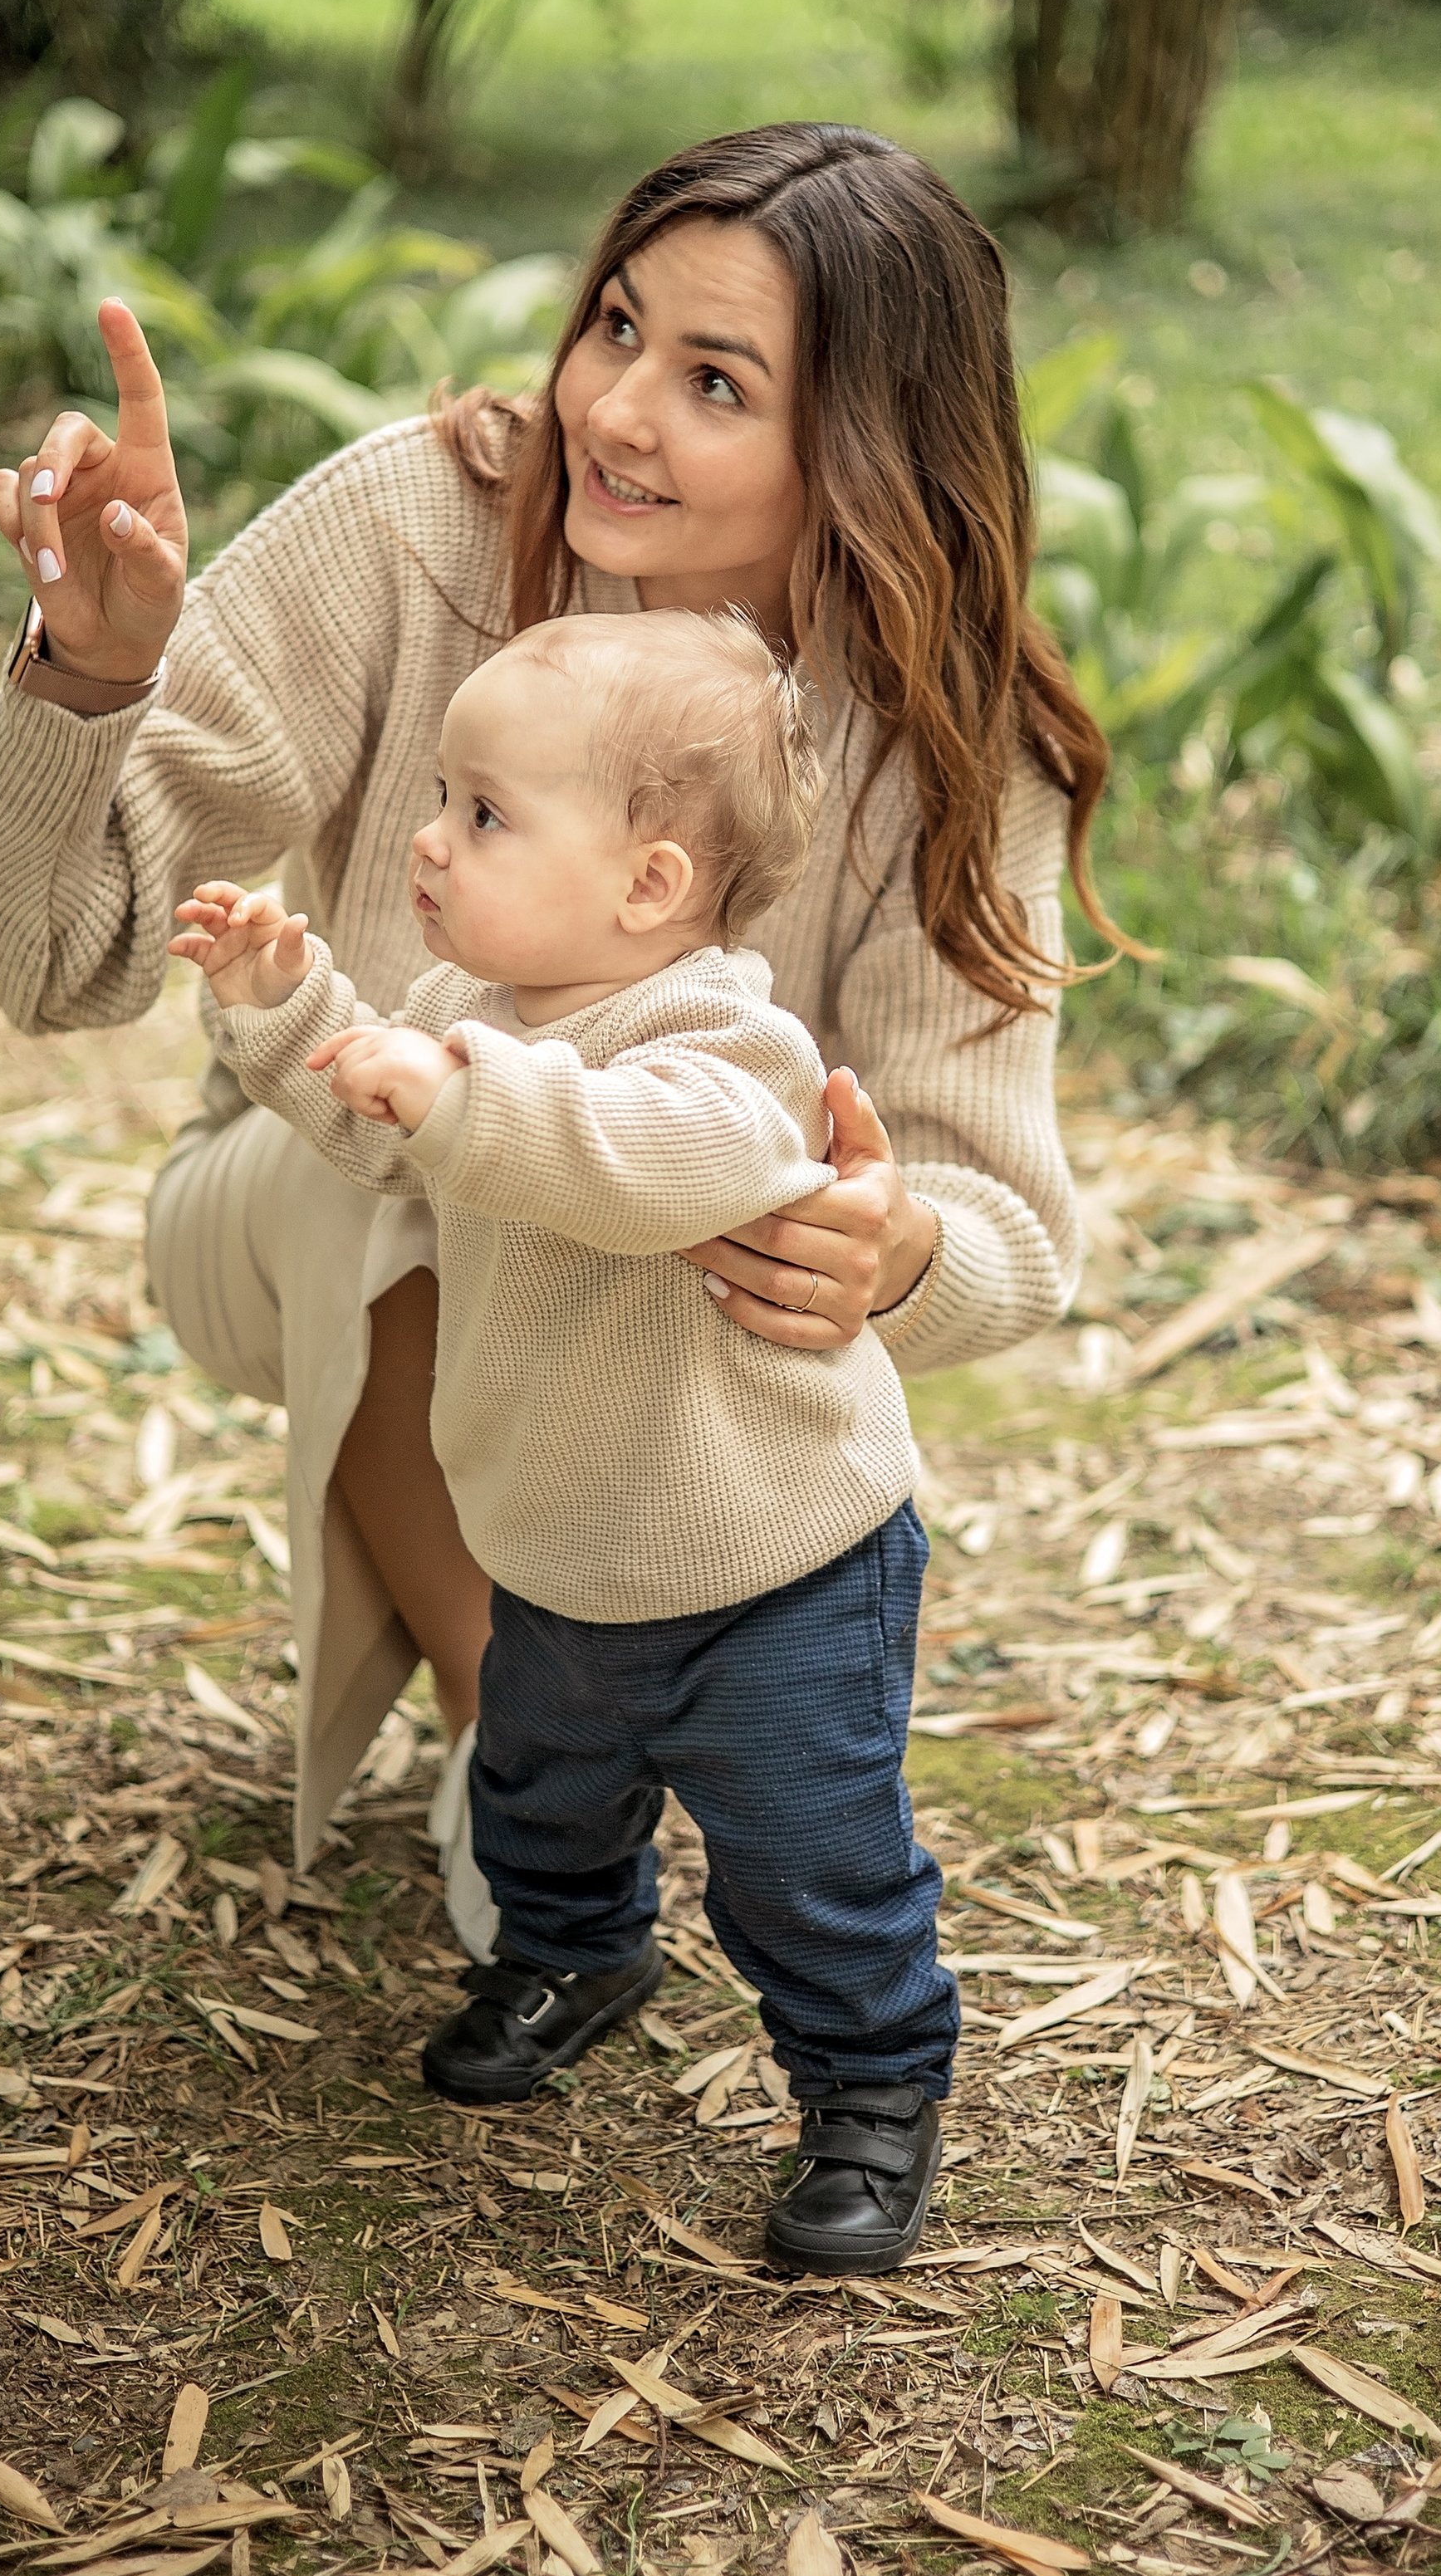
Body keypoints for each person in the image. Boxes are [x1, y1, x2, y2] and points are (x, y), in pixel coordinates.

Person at [0, 120, 1113, 1946]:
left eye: (714, 381)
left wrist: (895, 1246)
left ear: (861, 443)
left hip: (665, 1320)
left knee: (549, 1161)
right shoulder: (422, 524)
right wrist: (90, 672)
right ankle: (510, 1747)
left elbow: (1006, 1226)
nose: (615, 410)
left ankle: (629, 1752)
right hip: (310, 1194)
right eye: (614, 327)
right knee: (446, 1132)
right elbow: (16, 947)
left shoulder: (946, 732)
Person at [173, 607, 954, 2270]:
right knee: (542, 1791)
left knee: (803, 1857)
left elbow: (639, 1163)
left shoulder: (721, 1045)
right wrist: (283, 1001)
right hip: (561, 1541)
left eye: (482, 813)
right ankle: (574, 1952)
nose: (429, 839)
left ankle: (870, 2087)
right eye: (446, 801)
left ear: (649, 887)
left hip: (774, 1565)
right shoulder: (484, 1009)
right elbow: (396, 1135)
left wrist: (450, 1087)